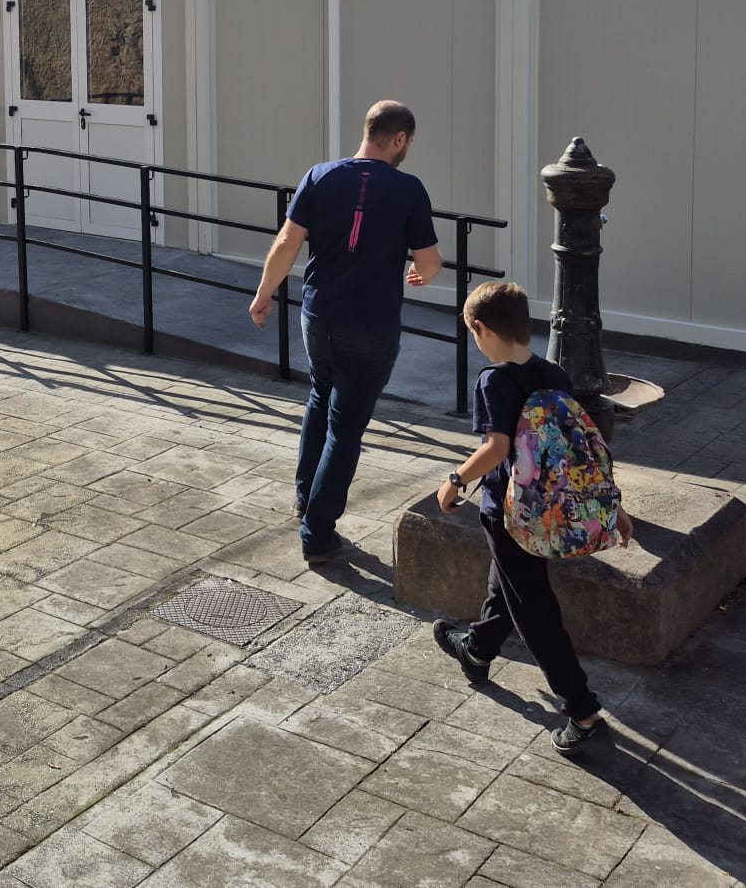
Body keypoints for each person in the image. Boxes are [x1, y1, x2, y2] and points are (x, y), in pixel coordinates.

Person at [431, 280, 632, 755]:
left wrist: (455, 481)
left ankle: (581, 711)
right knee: (510, 587)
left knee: (534, 610)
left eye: (473, 333)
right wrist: (613, 507)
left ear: (480, 329)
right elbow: (578, 452)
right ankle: (477, 648)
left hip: (512, 513)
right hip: (552, 510)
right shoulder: (554, 374)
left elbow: (496, 447)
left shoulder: (493, 381)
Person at [249, 99, 443, 565]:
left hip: (318, 316)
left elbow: (287, 242)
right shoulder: (407, 188)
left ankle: (305, 495)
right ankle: (317, 533)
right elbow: (431, 263)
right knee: (346, 426)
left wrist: (263, 293)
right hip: (371, 324)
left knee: (321, 394)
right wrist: (422, 273)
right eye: (409, 142)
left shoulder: (319, 176)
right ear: (398, 139)